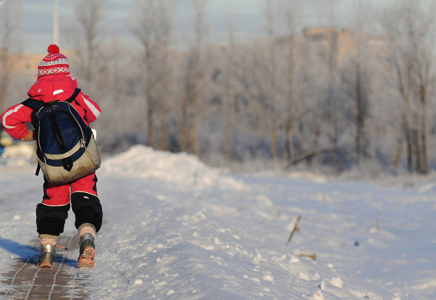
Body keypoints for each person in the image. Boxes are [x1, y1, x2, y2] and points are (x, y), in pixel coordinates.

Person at [0, 44, 103, 269]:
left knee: (53, 203)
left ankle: (47, 252)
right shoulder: (75, 95)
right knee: (86, 197)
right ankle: (87, 239)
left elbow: (7, 118)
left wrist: (28, 134)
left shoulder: (35, 102)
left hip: (54, 166)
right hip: (83, 160)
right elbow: (94, 112)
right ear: (66, 72)